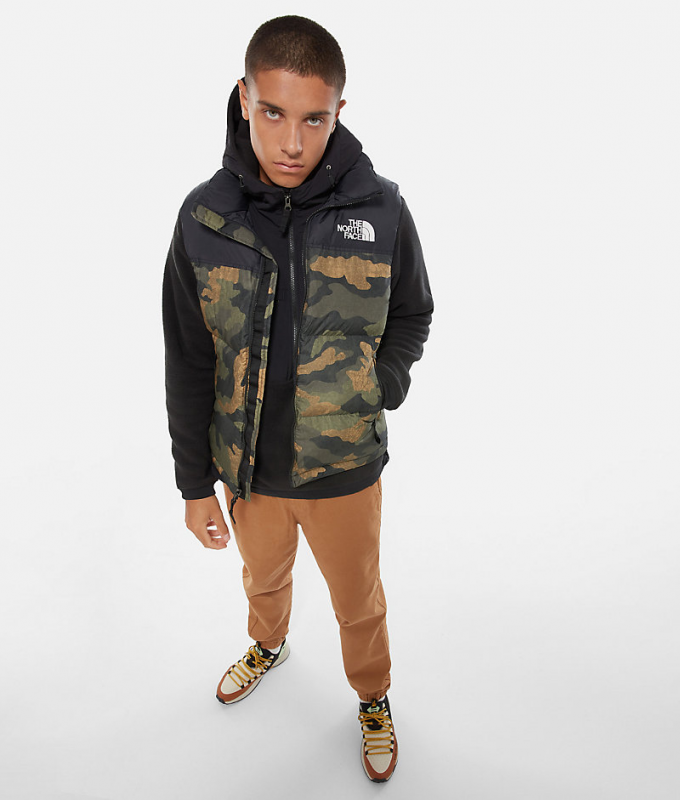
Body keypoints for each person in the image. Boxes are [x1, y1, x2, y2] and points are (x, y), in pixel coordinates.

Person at [162, 15, 433, 783]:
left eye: (314, 119)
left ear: (338, 112)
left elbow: (412, 312)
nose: (291, 142)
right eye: (273, 113)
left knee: (358, 599)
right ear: (244, 98)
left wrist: (380, 385)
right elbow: (187, 357)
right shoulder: (204, 219)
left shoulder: (381, 210)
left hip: (344, 468)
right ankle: (269, 644)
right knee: (263, 579)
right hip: (248, 473)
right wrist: (194, 485)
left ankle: (372, 694)